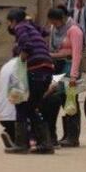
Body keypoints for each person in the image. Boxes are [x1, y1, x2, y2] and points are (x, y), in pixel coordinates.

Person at [4, 9, 54, 155]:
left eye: (9, 23)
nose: (10, 27)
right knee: (31, 107)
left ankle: (21, 144)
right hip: (47, 70)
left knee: (21, 104)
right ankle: (46, 143)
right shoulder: (30, 26)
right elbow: (45, 32)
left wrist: (20, 62)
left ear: (13, 21)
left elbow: (27, 46)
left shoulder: (20, 27)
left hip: (35, 70)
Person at [44, 6, 84, 148]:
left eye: (55, 22)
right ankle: (66, 135)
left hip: (70, 68)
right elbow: (54, 49)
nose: (53, 26)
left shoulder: (74, 30)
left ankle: (73, 137)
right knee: (60, 98)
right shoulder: (55, 29)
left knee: (70, 101)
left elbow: (77, 54)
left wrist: (73, 76)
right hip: (58, 67)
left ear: (61, 19)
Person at [0, 58, 19, 148]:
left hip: (2, 114)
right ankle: (12, 136)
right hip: (15, 116)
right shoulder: (21, 66)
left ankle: (9, 133)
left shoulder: (6, 65)